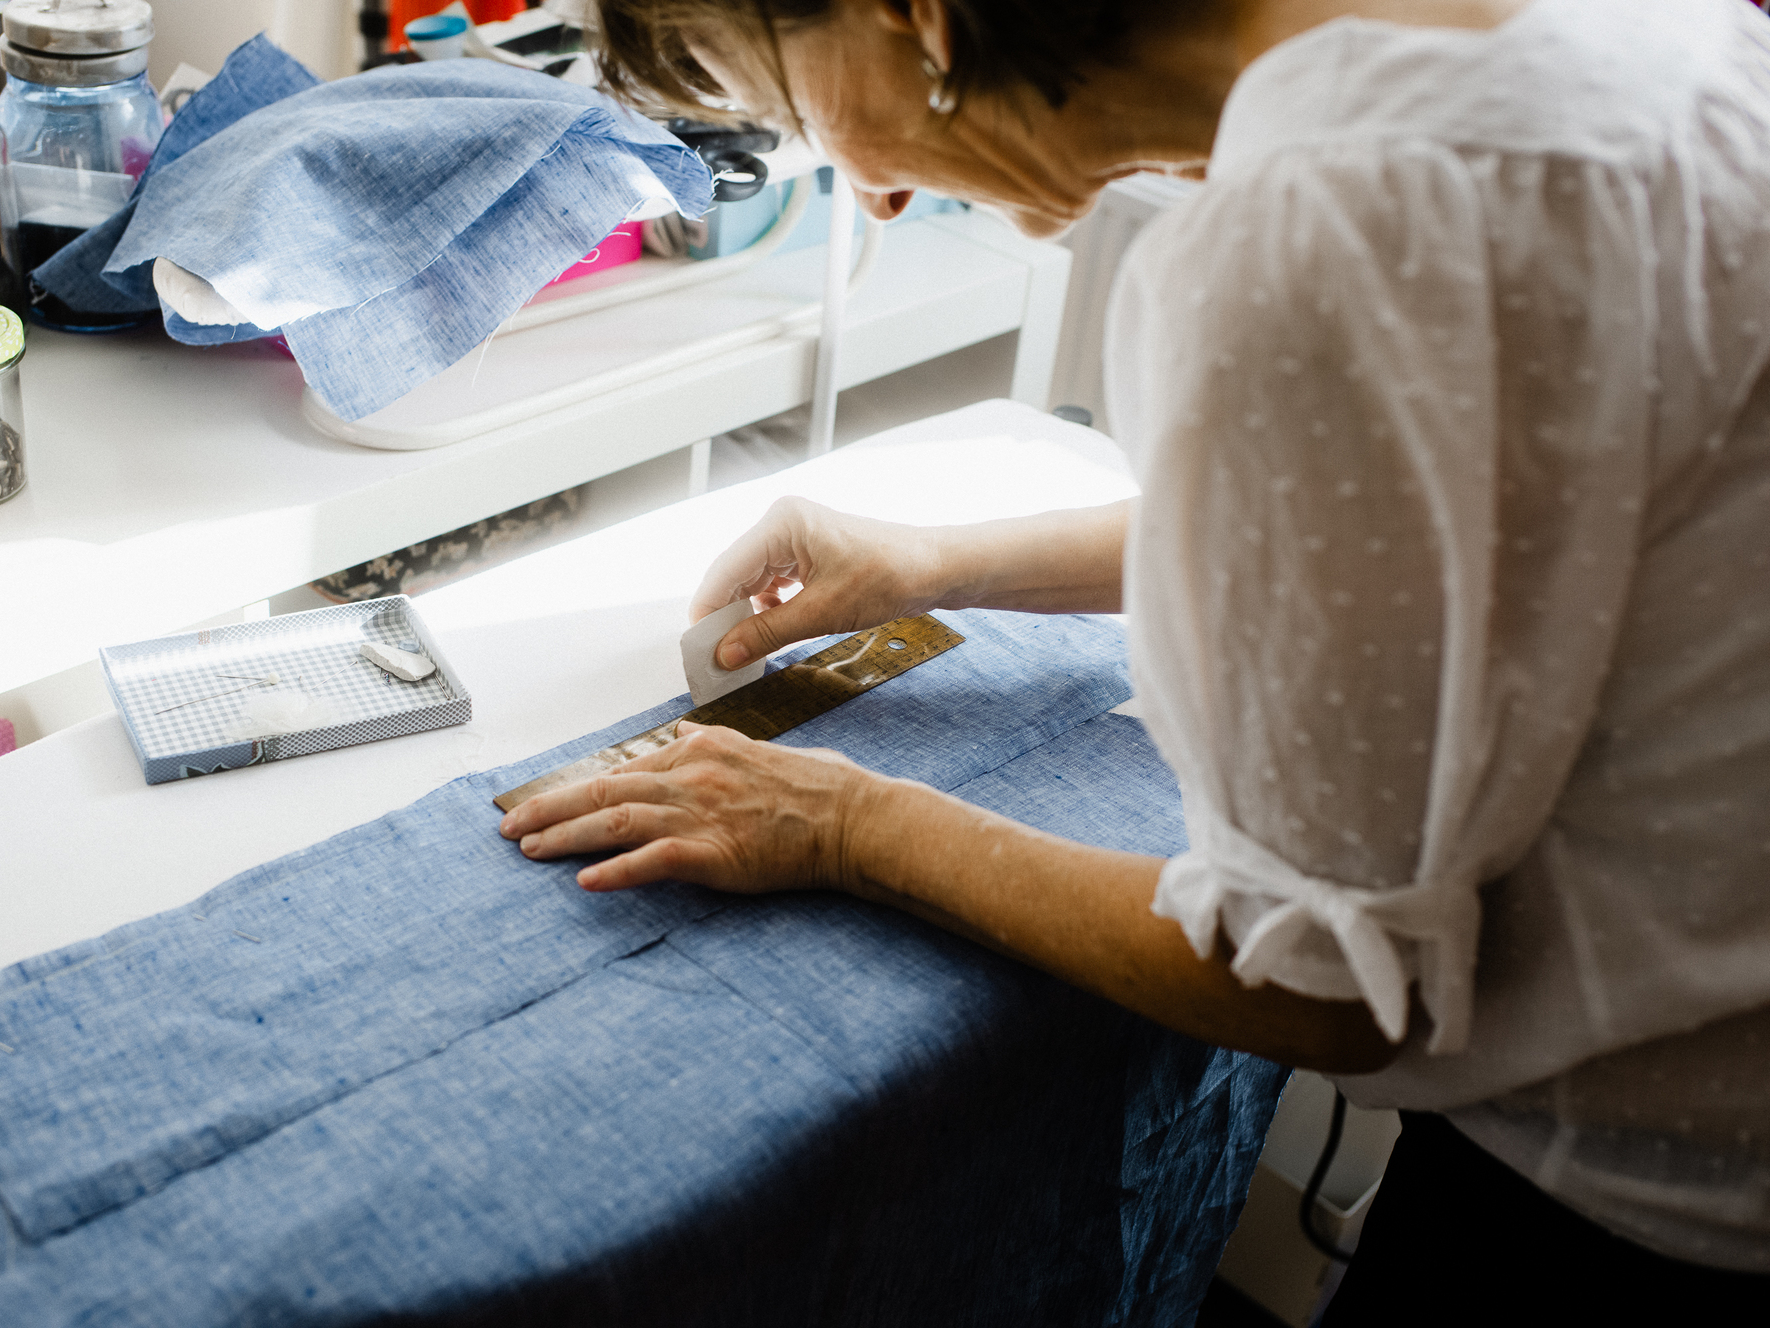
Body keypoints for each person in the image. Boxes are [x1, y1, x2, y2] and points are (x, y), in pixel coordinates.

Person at [499, 0, 1770, 1312]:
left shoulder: (1331, 243)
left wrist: (845, 825)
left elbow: (1316, 980)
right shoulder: (1579, 44)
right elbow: (1435, 523)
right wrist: (938, 562)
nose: (868, 200)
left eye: (796, 104)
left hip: (1674, 1194)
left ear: (912, 15)